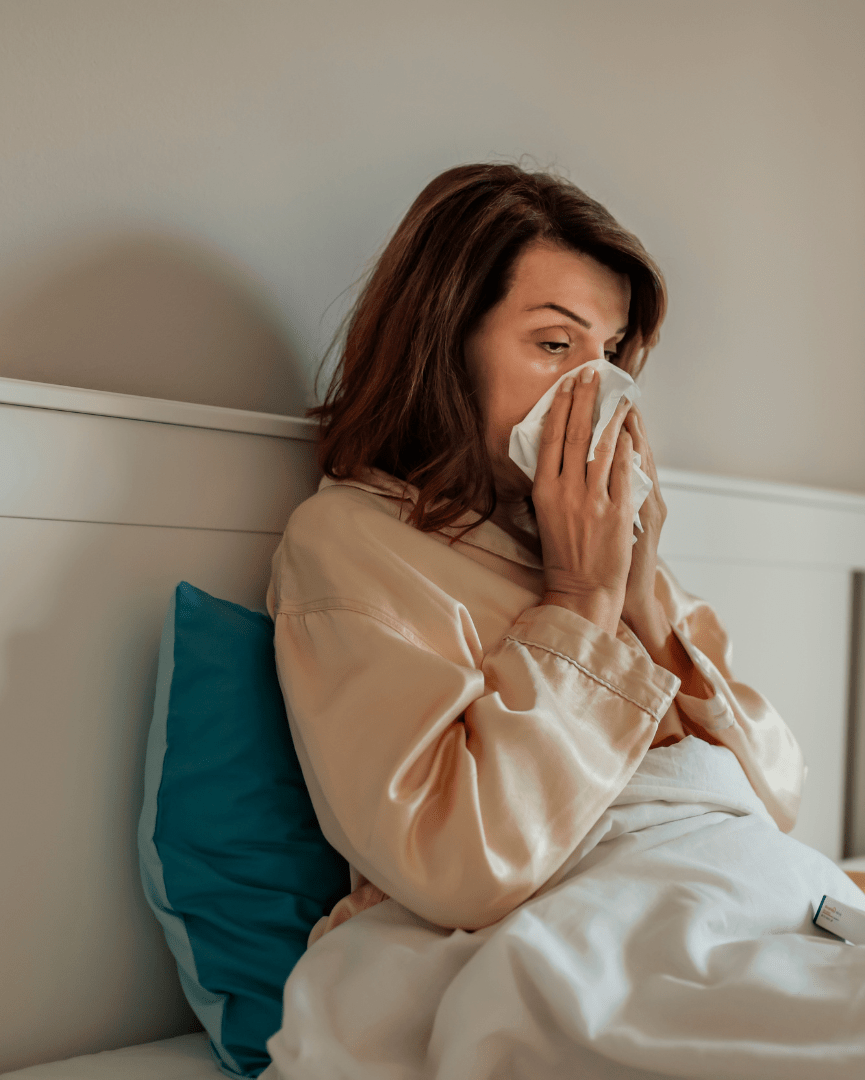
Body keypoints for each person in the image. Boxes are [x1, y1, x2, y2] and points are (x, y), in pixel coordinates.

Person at [266, 162, 805, 938]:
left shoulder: (597, 542)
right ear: (445, 346)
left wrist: (642, 602)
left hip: (736, 900)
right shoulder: (352, 544)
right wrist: (582, 604)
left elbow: (777, 800)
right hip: (568, 940)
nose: (597, 389)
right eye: (554, 343)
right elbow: (452, 865)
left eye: (611, 353)